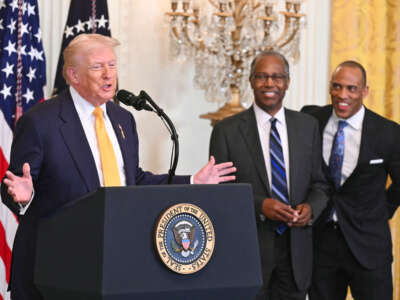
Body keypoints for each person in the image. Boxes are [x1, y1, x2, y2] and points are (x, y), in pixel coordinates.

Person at [1, 33, 236, 300]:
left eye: (112, 65)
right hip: (54, 268)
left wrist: (193, 181)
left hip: (111, 265)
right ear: (73, 75)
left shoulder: (123, 118)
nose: (108, 75)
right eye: (97, 67)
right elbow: (15, 186)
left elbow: (132, 180)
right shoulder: (41, 121)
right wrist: (23, 196)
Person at [209, 51, 330, 300]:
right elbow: (218, 195)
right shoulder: (226, 131)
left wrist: (311, 209)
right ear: (251, 81)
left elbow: (320, 184)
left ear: (287, 82)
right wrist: (261, 206)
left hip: (296, 254)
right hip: (248, 255)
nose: (269, 83)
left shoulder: (307, 127)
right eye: (262, 77)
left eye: (277, 77)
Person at [302, 61, 400, 300]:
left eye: (351, 88)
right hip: (321, 244)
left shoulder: (388, 132)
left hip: (368, 246)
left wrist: (381, 210)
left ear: (364, 91)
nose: (342, 95)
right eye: (336, 86)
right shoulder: (310, 120)